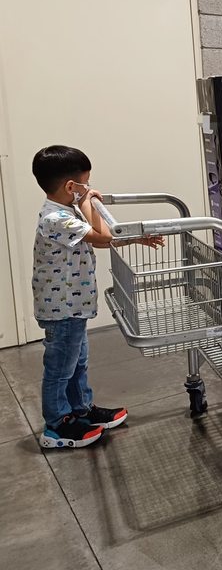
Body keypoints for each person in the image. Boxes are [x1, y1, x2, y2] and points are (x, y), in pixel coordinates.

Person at [32, 145, 163, 448]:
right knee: (60, 369)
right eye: (85, 183)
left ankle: (80, 409)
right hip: (62, 310)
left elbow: (100, 240)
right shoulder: (56, 218)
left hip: (73, 307)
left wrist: (137, 239)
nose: (89, 188)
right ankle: (57, 425)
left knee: (77, 363)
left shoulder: (65, 213)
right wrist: (88, 200)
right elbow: (101, 234)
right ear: (70, 187)